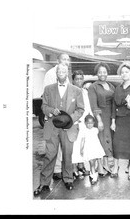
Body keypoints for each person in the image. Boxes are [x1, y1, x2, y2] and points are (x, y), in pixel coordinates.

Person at [34, 64, 85, 196]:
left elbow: (80, 110)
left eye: (63, 70)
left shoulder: (76, 90)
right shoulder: (48, 89)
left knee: (67, 154)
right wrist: (51, 111)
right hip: (52, 127)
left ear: (67, 73)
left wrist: (69, 118)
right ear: (56, 73)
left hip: (69, 127)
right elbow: (44, 106)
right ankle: (44, 183)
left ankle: (68, 179)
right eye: (59, 71)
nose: (61, 72)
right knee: (50, 155)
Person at [42, 53, 71, 181]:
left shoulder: (66, 75)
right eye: (63, 59)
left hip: (64, 118)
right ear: (57, 60)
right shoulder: (51, 74)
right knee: (51, 151)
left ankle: (59, 171)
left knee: (64, 149)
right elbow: (47, 95)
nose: (66, 61)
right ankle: (47, 179)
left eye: (68, 60)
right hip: (54, 117)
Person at [88, 62, 115, 176]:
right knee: (101, 140)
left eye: (104, 72)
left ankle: (105, 164)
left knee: (109, 141)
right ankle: (99, 167)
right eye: (100, 72)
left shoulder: (111, 86)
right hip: (100, 116)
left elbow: (114, 103)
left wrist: (113, 119)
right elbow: (94, 105)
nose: (102, 74)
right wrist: (99, 120)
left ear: (107, 73)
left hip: (110, 116)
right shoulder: (93, 87)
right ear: (97, 73)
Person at [71, 70, 92, 178]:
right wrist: (75, 120)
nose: (79, 81)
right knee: (75, 147)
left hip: (84, 123)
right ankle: (74, 169)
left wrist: (89, 120)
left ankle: (81, 166)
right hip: (75, 123)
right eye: (77, 79)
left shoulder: (85, 92)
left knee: (82, 146)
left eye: (81, 78)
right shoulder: (70, 91)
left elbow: (88, 107)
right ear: (73, 80)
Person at [80, 114, 106, 185]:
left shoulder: (95, 130)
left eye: (91, 123)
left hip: (95, 148)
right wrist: (81, 149)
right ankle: (93, 176)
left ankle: (95, 174)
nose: (89, 125)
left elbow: (99, 137)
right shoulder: (84, 131)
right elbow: (82, 140)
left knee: (96, 162)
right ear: (85, 123)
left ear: (94, 123)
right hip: (89, 149)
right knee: (91, 163)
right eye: (88, 123)